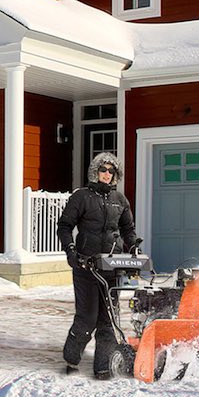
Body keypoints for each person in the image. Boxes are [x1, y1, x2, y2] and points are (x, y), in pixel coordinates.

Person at [56, 152, 138, 380]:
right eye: (103, 170)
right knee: (87, 318)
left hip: (111, 266)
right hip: (86, 265)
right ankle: (71, 359)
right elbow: (64, 226)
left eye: (112, 171)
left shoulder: (119, 200)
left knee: (109, 320)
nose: (107, 174)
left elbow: (128, 230)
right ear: (95, 171)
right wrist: (71, 251)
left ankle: (103, 369)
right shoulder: (81, 197)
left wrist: (133, 248)